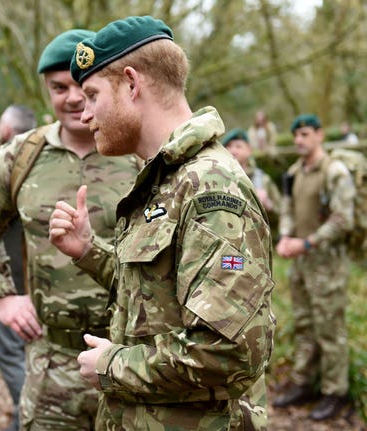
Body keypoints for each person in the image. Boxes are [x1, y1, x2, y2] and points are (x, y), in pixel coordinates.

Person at [48, 16, 275, 430]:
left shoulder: (208, 189)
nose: (84, 115)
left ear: (132, 84)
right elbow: (158, 299)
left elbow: (230, 351)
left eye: (93, 95)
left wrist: (112, 364)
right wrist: (89, 251)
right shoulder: (165, 179)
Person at [0, 29, 140, 430]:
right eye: (59, 87)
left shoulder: (139, 154)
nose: (74, 98)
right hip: (51, 362)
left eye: (82, 85)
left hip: (131, 359)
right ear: (47, 90)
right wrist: (3, 296)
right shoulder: (20, 156)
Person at [273, 114, 354, 420]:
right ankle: (304, 381)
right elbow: (288, 210)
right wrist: (286, 237)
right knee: (305, 323)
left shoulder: (334, 172)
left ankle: (336, 392)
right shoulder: (294, 172)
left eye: (305, 134)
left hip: (327, 263)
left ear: (320, 135)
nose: (298, 140)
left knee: (330, 327)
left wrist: (307, 242)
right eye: (295, 135)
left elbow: (343, 219)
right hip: (301, 263)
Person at [0, 103, 37, 431]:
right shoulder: (51, 159)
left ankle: (32, 416)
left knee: (13, 358)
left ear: (6, 131)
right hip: (52, 284)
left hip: (13, 282)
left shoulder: (4, 164)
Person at [222, 128, 281, 219]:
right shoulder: (219, 178)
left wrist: (268, 205)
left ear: (249, 150)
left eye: (238, 146)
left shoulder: (263, 180)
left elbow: (280, 213)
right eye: (229, 146)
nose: (233, 151)